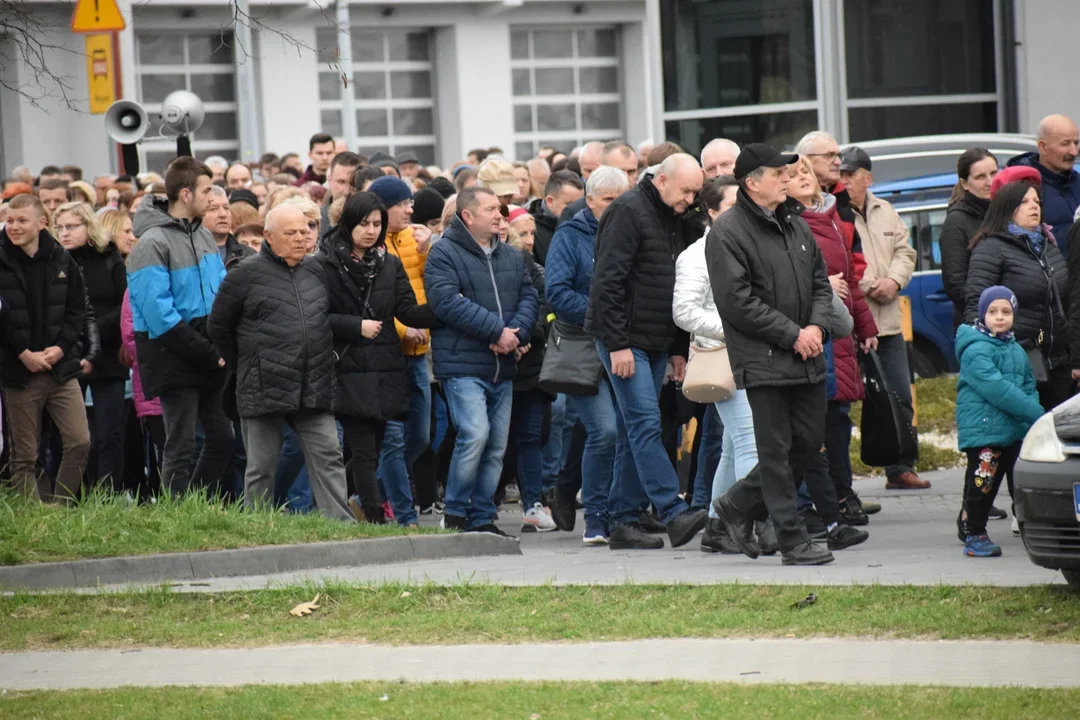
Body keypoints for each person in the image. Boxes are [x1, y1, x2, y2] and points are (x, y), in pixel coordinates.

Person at [707, 144, 836, 566]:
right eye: (778, 172)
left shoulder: (795, 225)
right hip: (764, 359)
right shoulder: (728, 232)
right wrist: (793, 334)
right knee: (777, 453)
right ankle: (792, 540)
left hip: (806, 354)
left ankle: (735, 505)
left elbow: (820, 283)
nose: (787, 177)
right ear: (752, 181)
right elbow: (737, 302)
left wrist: (816, 327)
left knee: (807, 445)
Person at [586, 153, 708, 550]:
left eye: (696, 192)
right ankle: (671, 510)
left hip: (657, 339)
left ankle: (623, 519)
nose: (691, 199)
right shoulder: (627, 211)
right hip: (625, 339)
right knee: (644, 423)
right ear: (661, 180)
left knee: (631, 430)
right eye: (687, 190)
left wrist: (677, 349)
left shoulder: (676, 217)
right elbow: (607, 283)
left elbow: (677, 287)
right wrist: (618, 343)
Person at [207, 205, 354, 521]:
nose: (301, 238)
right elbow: (218, 326)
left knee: (329, 455)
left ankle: (341, 526)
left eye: (305, 231)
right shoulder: (244, 274)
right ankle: (258, 528)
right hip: (263, 385)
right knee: (261, 466)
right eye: (291, 233)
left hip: (313, 382)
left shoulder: (316, 270)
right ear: (269, 237)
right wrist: (247, 362)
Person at [315, 193, 439, 523]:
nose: (371, 231)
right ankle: (373, 516)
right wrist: (356, 326)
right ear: (347, 224)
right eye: (363, 224)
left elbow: (407, 309)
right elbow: (316, 317)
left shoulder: (389, 263)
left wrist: (444, 307)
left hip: (385, 366)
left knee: (383, 442)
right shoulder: (325, 263)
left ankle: (360, 507)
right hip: (347, 365)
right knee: (364, 448)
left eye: (376, 224)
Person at [424, 186, 539, 535]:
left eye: (500, 209)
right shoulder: (443, 253)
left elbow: (530, 296)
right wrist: (497, 332)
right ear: (468, 216)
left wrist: (517, 335)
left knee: (495, 447)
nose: (499, 215)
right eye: (490, 209)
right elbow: (447, 303)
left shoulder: (511, 255)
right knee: (475, 433)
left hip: (502, 366)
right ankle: (457, 511)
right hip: (462, 364)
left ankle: (482, 515)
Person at [127, 156, 234, 496]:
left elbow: (220, 293)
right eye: (206, 191)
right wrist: (207, 352)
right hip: (172, 354)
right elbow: (159, 315)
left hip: (207, 350)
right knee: (181, 443)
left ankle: (195, 504)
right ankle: (177, 515)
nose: (212, 198)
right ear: (186, 194)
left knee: (222, 438)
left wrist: (221, 343)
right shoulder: (151, 243)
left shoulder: (203, 235)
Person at [783, 158, 876, 545]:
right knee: (811, 429)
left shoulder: (831, 218)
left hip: (835, 330)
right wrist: (824, 283)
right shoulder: (790, 222)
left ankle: (832, 506)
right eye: (792, 175)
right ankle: (808, 510)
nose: (803, 178)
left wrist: (865, 324)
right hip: (810, 331)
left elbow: (851, 279)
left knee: (832, 423)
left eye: (806, 172)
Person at [840, 146, 924, 490]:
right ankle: (840, 482)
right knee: (842, 405)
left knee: (898, 396)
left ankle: (899, 467)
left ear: (867, 178)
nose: (843, 181)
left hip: (887, 323)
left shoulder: (886, 211)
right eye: (840, 175)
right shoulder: (835, 212)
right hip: (849, 324)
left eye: (850, 175)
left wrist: (895, 281)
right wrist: (873, 284)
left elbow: (907, 251)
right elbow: (840, 261)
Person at [0, 194, 92, 501]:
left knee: (79, 441)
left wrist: (62, 347)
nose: (13, 226)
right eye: (10, 220)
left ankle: (59, 510)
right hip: (18, 371)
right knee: (25, 455)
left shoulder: (61, 257)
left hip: (61, 369)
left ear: (42, 223)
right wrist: (22, 353)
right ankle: (32, 520)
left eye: (21, 220)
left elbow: (77, 309)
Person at [966, 181, 1072, 411]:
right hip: (1016, 362)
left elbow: (1066, 302)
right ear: (1006, 208)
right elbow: (976, 305)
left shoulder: (1047, 246)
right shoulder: (991, 248)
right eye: (1024, 202)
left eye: (1036, 201)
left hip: (1058, 361)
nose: (1033, 206)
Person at [955, 286, 1044, 557]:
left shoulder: (1016, 349)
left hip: (1012, 430)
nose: (1000, 317)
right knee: (983, 484)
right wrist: (1038, 415)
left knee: (1016, 481)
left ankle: (1032, 527)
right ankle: (975, 533)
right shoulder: (975, 349)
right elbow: (998, 390)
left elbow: (1029, 384)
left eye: (1006, 311)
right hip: (985, 430)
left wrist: (1033, 413)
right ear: (983, 315)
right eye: (993, 311)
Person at [367, 176, 435, 527]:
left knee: (420, 436)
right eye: (403, 203)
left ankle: (373, 489)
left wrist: (426, 253)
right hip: (386, 354)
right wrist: (401, 328)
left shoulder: (415, 236)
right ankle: (404, 515)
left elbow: (428, 286)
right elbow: (372, 303)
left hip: (418, 352)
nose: (411, 208)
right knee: (392, 439)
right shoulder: (369, 242)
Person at [54, 201, 129, 493]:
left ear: (89, 226)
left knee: (110, 432)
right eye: (59, 227)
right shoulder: (55, 262)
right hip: (68, 355)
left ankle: (108, 493)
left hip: (108, 354)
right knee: (76, 436)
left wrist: (93, 330)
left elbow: (123, 304)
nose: (64, 233)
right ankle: (74, 494)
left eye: (71, 227)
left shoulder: (110, 258)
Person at [940, 148, 1000, 331]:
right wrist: (995, 307)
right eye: (981, 177)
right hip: (978, 323)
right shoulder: (956, 222)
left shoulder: (1006, 212)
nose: (990, 182)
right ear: (964, 184)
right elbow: (955, 284)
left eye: (994, 173)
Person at [1006, 114, 1080, 249]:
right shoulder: (1021, 188)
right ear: (1043, 147)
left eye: (1076, 142)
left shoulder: (1077, 183)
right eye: (1066, 143)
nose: (1074, 151)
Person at [558, 142, 640, 224]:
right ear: (599, 168)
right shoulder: (573, 212)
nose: (626, 178)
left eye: (631, 171)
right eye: (618, 171)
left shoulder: (646, 205)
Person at [528, 171, 584, 265]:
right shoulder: (530, 230)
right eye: (570, 204)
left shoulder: (585, 225)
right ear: (550, 201)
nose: (578, 210)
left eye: (581, 204)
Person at [204, 186, 254, 270]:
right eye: (213, 209)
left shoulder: (249, 256)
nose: (223, 214)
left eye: (226, 208)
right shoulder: (187, 255)